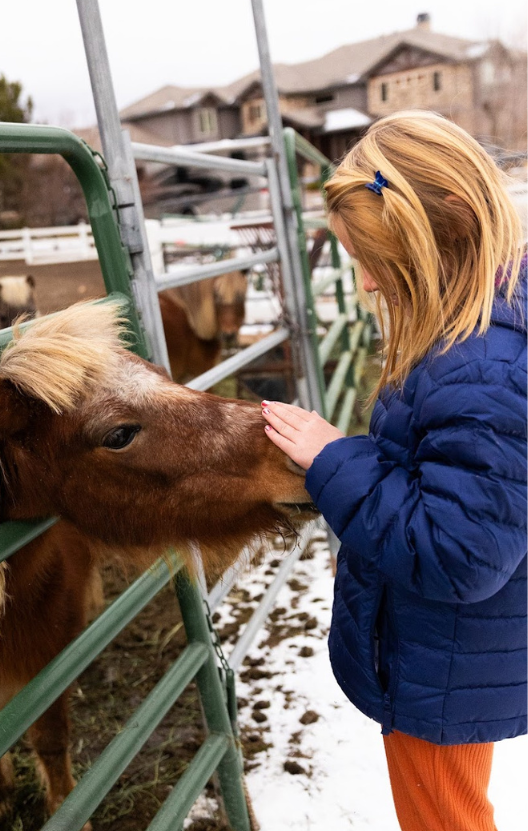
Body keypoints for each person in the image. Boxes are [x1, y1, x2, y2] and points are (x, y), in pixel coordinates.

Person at [262, 111, 527, 831]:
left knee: (443, 817)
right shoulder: (480, 333)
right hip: (454, 652)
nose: (370, 285)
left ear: (431, 244)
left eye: (374, 260)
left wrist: (330, 458)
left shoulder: (480, 368)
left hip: (442, 666)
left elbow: (457, 554)